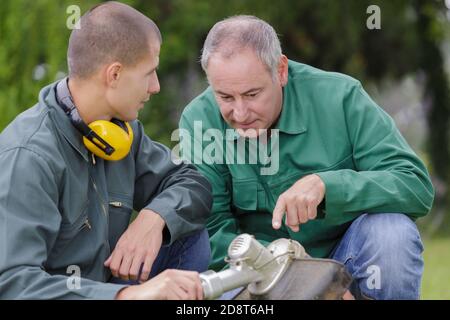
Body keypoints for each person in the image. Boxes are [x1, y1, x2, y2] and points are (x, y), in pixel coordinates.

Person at [179, 15, 435, 300]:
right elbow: (210, 234)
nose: (240, 114)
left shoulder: (341, 97)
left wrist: (327, 186)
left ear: (281, 71)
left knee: (392, 233)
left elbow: (414, 185)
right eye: (225, 97)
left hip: (347, 260)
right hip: (260, 275)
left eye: (252, 94)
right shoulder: (199, 120)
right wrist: (307, 280)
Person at [0, 2, 212, 300]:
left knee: (186, 234)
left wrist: (154, 217)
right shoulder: (28, 156)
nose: (156, 87)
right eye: (149, 73)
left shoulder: (122, 130)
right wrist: (126, 295)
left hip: (110, 287)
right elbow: (13, 283)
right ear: (114, 75)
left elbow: (192, 183)